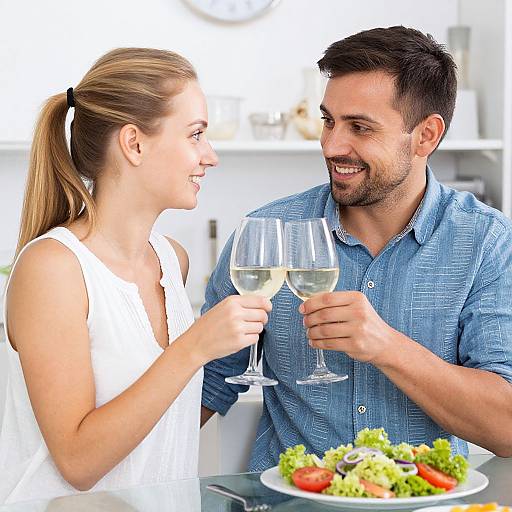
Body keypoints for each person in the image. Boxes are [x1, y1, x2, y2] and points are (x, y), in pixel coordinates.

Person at [201, 26, 512, 471]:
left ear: (426, 135)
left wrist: (386, 346)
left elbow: (506, 429)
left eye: (360, 128)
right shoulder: (269, 233)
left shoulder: (487, 243)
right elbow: (206, 386)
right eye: (329, 120)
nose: (331, 145)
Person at [0, 47, 272, 504]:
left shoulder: (172, 261)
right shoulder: (53, 268)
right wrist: (195, 347)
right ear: (134, 143)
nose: (210, 156)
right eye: (196, 135)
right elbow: (78, 462)